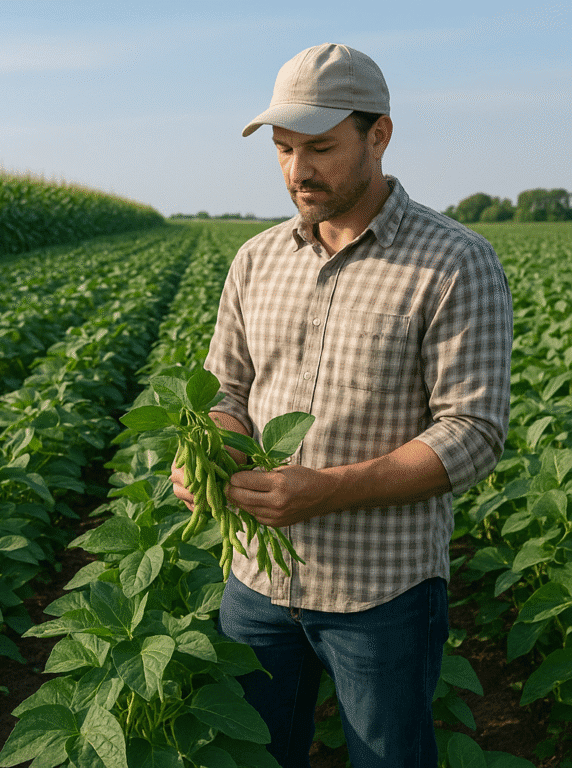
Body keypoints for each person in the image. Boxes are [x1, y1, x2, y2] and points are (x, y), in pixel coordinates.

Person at [170, 43, 512, 767]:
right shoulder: (257, 259)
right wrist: (215, 445)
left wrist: (326, 492)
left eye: (320, 147)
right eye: (284, 148)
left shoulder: (454, 261)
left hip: (381, 591)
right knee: (253, 756)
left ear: (379, 135)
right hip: (256, 585)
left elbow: (472, 432)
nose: (298, 171)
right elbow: (225, 388)